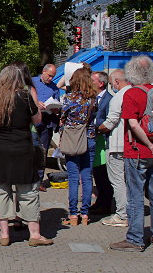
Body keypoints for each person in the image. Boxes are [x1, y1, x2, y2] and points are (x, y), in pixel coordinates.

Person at [0, 65, 52, 247]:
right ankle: (34, 234)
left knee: (0, 192)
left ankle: (4, 234)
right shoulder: (24, 97)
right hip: (22, 149)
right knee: (28, 192)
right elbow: (38, 120)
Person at [110, 55, 153, 252]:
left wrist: (148, 144)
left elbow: (133, 124)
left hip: (137, 151)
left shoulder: (132, 94)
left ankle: (135, 239)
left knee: (135, 196)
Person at [59, 67, 97, 226]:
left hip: (73, 139)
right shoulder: (92, 100)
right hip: (89, 138)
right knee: (87, 178)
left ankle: (73, 214)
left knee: (73, 177)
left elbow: (63, 117)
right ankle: (85, 214)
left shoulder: (69, 98)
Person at [98, 69, 131, 227]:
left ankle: (122, 214)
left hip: (117, 145)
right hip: (131, 145)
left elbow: (111, 121)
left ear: (117, 82)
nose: (112, 87)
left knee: (117, 181)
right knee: (128, 181)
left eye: (112, 84)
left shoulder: (118, 97)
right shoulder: (134, 93)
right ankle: (129, 211)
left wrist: (98, 128)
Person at [32, 64, 60, 190]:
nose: (50, 79)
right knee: (30, 150)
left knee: (43, 151)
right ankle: (28, 178)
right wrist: (35, 102)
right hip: (32, 121)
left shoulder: (54, 88)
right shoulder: (32, 82)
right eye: (49, 76)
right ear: (43, 71)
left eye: (53, 77)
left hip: (47, 122)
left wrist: (55, 109)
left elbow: (58, 103)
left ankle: (39, 180)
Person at [90, 71, 114, 214]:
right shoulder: (94, 98)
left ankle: (106, 204)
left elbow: (108, 120)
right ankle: (100, 202)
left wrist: (94, 123)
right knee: (98, 175)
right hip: (96, 142)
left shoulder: (109, 99)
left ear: (101, 83)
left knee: (104, 176)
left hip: (104, 141)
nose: (90, 83)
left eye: (92, 81)